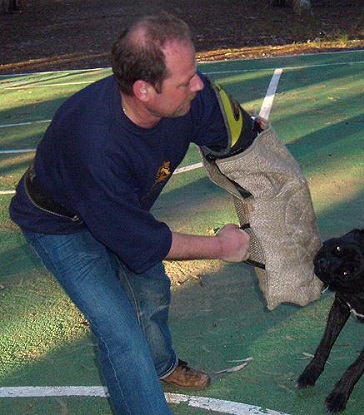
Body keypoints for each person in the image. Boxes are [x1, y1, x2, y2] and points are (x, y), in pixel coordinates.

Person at [9, 12, 253, 415]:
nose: (198, 84)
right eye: (184, 80)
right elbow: (147, 242)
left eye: (195, 71)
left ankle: (162, 365)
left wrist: (256, 140)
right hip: (59, 224)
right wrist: (223, 246)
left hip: (116, 207)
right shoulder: (95, 144)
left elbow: (236, 135)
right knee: (121, 335)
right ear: (143, 90)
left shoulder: (188, 95)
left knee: (151, 288)